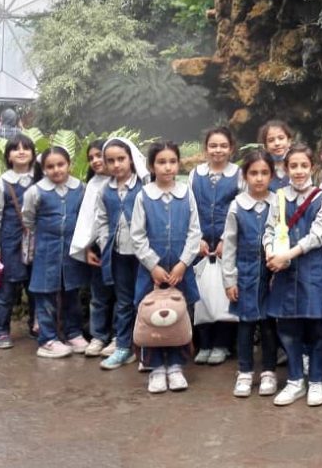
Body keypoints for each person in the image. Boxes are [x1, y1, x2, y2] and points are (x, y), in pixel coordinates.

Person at [263, 143, 322, 406]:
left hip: (313, 270)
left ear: (312, 167)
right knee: (287, 327)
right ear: (286, 168)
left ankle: (316, 381)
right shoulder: (279, 196)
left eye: (304, 165)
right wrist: (270, 252)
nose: (299, 171)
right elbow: (269, 229)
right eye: (294, 166)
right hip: (283, 272)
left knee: (316, 328)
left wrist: (287, 256)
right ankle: (294, 380)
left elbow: (317, 235)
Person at [131, 142, 201, 394]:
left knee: (178, 316)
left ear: (178, 164)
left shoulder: (186, 193)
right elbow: (137, 235)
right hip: (152, 272)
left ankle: (176, 366)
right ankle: (155, 367)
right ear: (152, 166)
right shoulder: (143, 196)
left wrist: (183, 263)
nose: (167, 167)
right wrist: (153, 265)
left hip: (181, 270)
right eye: (161, 162)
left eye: (172, 161)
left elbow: (195, 231)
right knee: (152, 317)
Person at [22, 147, 89, 358]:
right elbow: (28, 219)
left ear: (69, 164)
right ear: (43, 169)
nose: (56, 170)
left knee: (71, 293)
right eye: (50, 166)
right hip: (45, 251)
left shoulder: (80, 188)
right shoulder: (35, 192)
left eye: (61, 164)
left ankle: (73, 333)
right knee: (45, 295)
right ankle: (47, 340)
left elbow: (85, 215)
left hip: (72, 251)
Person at [223, 150, 280, 398]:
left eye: (264, 173)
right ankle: (245, 371)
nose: (259, 178)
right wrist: (229, 279)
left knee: (268, 325)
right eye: (253, 173)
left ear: (272, 175)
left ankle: (269, 371)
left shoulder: (278, 203)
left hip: (271, 276)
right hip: (244, 275)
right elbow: (229, 245)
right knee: (245, 325)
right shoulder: (237, 206)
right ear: (245, 176)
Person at [93, 138, 149, 370]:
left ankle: (147, 348)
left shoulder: (144, 186)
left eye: (121, 159)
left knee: (144, 300)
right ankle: (123, 347)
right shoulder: (105, 191)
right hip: (118, 254)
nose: (116, 165)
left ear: (131, 159)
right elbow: (101, 220)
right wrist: (104, 242)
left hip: (144, 256)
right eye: (110, 161)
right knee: (124, 301)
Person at [190, 127, 240, 365]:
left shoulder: (238, 174)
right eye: (213, 145)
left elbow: (241, 208)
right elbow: (190, 208)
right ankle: (205, 343)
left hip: (227, 245)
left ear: (231, 148)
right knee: (202, 294)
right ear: (206, 148)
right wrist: (197, 238)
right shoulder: (196, 174)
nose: (218, 150)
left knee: (225, 293)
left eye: (223, 146)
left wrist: (225, 240)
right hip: (200, 245)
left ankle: (222, 344)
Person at [0, 134, 40, 349]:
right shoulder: (2, 182)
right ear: (8, 156)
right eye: (15, 149)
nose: (21, 152)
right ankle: (0, 331)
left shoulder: (40, 179)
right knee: (7, 288)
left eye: (26, 148)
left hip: (37, 241)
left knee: (36, 286)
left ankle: (37, 326)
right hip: (10, 242)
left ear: (33, 154)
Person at [80, 140, 113, 358]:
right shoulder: (91, 185)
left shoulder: (125, 181)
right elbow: (86, 221)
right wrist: (87, 248)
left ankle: (119, 337)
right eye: (91, 158)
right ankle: (98, 336)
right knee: (99, 295)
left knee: (122, 295)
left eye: (99, 155)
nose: (95, 161)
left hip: (121, 249)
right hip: (98, 250)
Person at [258, 120, 293, 190]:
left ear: (289, 141)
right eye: (271, 140)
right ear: (265, 146)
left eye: (281, 138)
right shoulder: (261, 168)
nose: (277, 143)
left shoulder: (299, 165)